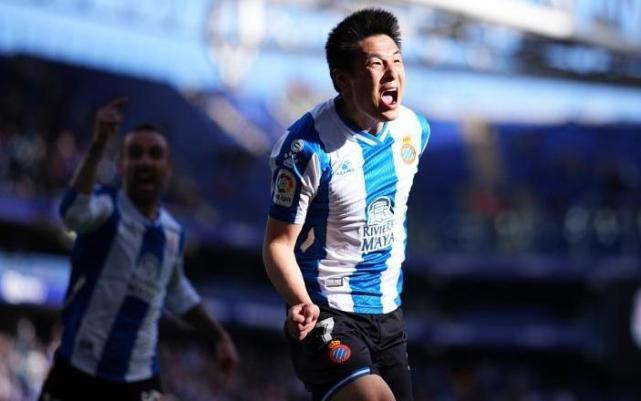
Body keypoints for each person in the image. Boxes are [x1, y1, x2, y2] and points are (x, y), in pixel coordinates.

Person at [262, 8, 430, 401]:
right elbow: (277, 243)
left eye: (396, 61)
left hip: (389, 313)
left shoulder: (414, 130)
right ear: (343, 79)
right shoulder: (306, 149)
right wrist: (299, 301)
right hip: (327, 311)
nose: (391, 74)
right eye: (376, 64)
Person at [39, 98, 239, 401]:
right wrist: (98, 145)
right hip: (78, 370)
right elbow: (72, 213)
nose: (145, 161)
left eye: (155, 154)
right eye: (135, 153)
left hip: (139, 379)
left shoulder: (172, 233)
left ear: (168, 169)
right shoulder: (104, 207)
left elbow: (177, 291)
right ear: (121, 165)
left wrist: (219, 336)